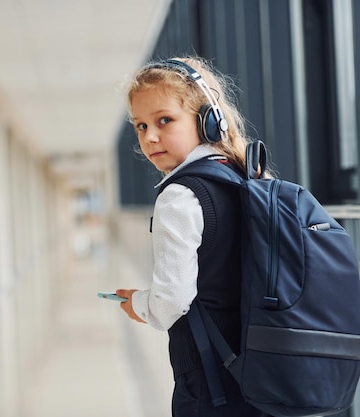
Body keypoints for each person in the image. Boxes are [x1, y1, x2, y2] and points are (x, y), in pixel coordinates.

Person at [115, 56, 270, 417]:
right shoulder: (247, 178)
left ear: (207, 121)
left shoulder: (179, 197)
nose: (149, 136)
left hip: (212, 381)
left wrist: (138, 304)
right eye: (140, 125)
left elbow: (171, 302)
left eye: (164, 120)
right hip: (265, 366)